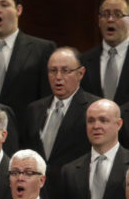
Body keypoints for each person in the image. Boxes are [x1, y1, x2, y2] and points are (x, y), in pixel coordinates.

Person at [21, 47, 99, 187]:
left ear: (80, 73)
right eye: (52, 71)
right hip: (39, 191)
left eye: (65, 71)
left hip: (74, 189)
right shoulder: (34, 109)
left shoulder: (94, 109)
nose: (58, 77)